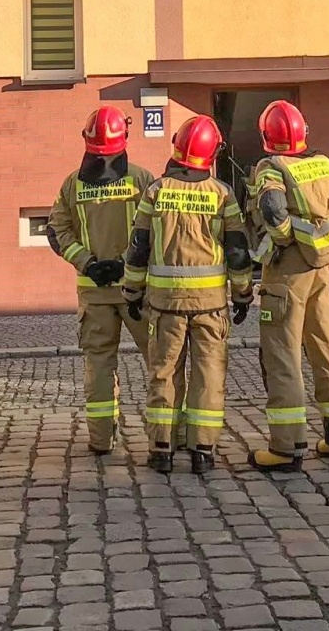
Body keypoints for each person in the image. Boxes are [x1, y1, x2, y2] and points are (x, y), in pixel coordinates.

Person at [245, 99, 329, 473]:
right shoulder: (325, 164)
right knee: (326, 352)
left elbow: (272, 208)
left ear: (266, 136)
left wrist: (287, 239)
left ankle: (285, 448)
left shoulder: (271, 167)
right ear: (303, 133)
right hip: (322, 275)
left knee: (282, 357)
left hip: (287, 274)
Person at [121, 115, 252, 475]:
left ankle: (161, 448)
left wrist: (132, 290)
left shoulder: (156, 191)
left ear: (177, 148)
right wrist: (242, 294)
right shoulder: (222, 194)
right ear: (212, 153)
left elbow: (138, 247)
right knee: (209, 376)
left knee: (163, 373)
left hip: (165, 305)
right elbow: (238, 250)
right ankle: (203, 450)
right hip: (211, 306)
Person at [46, 105, 162, 455]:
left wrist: (88, 263)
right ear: (124, 137)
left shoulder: (72, 184)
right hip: (137, 291)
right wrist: (125, 262)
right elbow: (156, 230)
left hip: (93, 292)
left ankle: (100, 440)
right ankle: (164, 438)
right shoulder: (142, 180)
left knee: (98, 364)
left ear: (87, 139)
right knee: (159, 362)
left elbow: (56, 231)